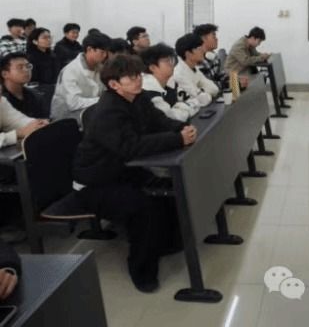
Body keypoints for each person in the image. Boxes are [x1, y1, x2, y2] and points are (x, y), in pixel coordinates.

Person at [73, 54, 196, 292]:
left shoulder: (138, 98)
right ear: (114, 84)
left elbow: (159, 121)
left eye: (138, 75)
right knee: (142, 206)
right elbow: (130, 147)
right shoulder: (108, 112)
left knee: (166, 189)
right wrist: (176, 139)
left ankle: (166, 243)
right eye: (131, 77)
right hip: (95, 183)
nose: (138, 80)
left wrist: (182, 128)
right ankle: (142, 271)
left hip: (122, 172)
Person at [50, 33, 110, 122]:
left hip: (89, 111)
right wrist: (102, 100)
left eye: (106, 52)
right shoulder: (71, 70)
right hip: (66, 117)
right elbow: (73, 103)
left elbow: (103, 91)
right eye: (102, 52)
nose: (105, 56)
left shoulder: (99, 68)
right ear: (89, 49)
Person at [141, 44, 199, 122]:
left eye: (171, 60)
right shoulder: (149, 91)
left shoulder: (169, 84)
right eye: (167, 61)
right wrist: (188, 109)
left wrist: (182, 108)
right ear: (153, 68)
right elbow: (172, 117)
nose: (172, 64)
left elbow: (195, 100)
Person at [174, 34, 219, 107]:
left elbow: (214, 89)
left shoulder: (194, 69)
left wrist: (200, 90)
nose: (203, 51)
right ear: (188, 54)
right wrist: (201, 92)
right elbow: (204, 100)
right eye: (199, 48)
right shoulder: (179, 74)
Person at [0, 53, 47, 118]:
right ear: (5, 74)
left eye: (28, 66)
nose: (26, 70)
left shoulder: (35, 95)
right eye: (20, 67)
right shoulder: (2, 100)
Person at [0, 85, 48, 149]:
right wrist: (17, 134)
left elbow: (17, 121)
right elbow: (21, 132)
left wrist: (38, 124)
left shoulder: (2, 102)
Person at [193, 23, 227, 89]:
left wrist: (232, 78)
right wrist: (227, 83)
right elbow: (205, 85)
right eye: (213, 37)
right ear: (203, 38)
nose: (216, 39)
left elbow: (216, 76)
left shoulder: (214, 57)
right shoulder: (197, 60)